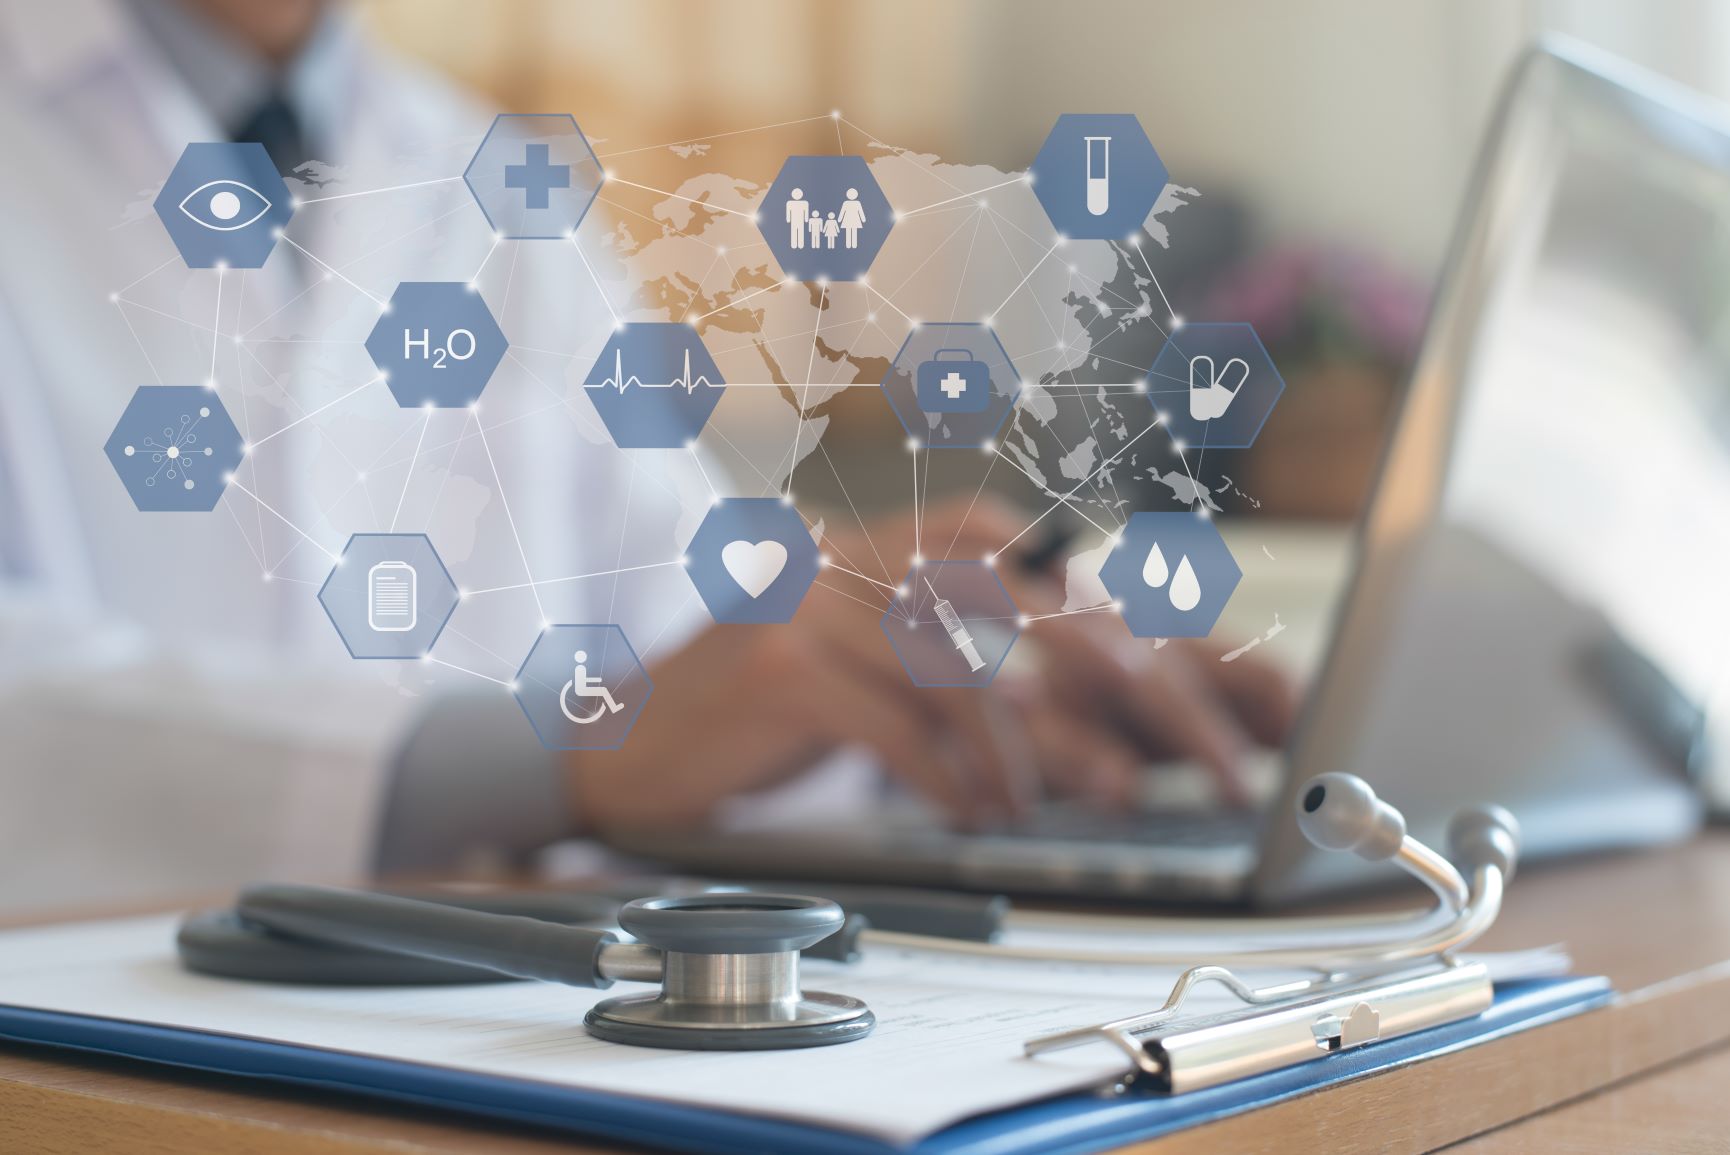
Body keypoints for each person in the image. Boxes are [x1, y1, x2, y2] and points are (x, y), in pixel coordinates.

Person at [0, 0, 1294, 908]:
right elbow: (628, 731)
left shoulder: (495, 180)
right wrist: (563, 756)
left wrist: (982, 705)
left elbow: (694, 664)